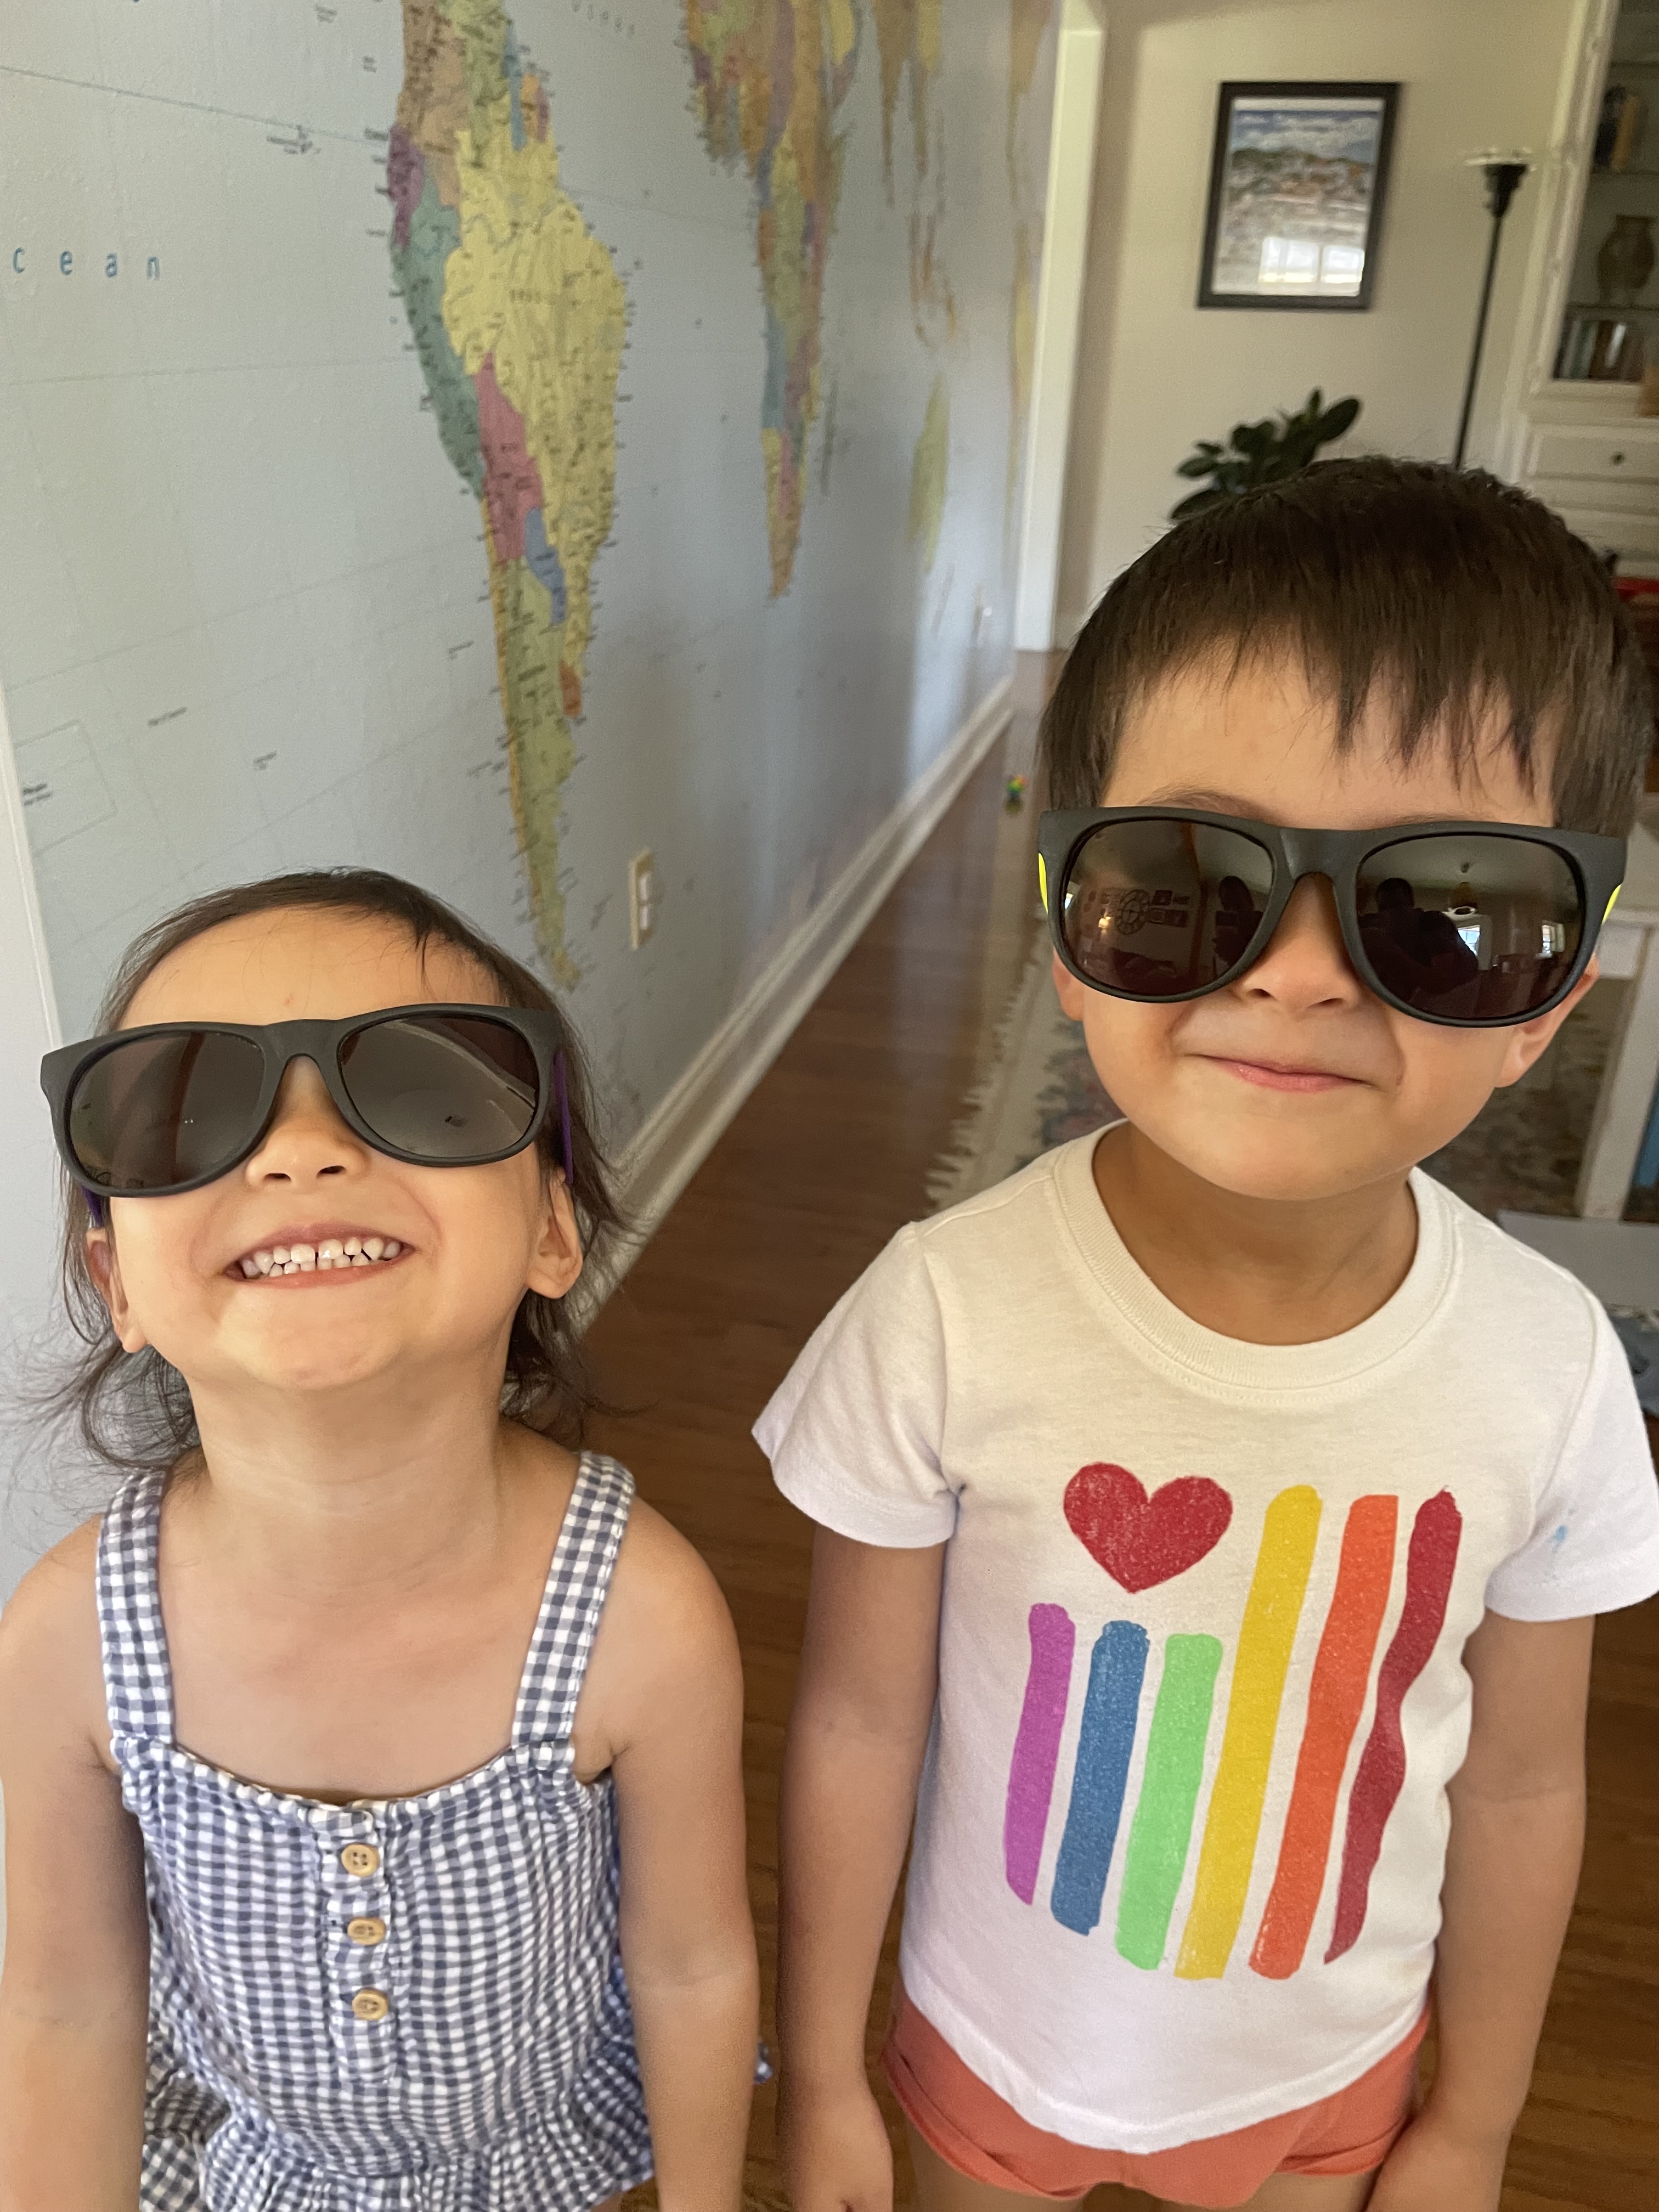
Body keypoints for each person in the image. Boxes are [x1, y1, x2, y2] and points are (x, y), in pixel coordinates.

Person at [762, 461, 1659, 2212]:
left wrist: (1474, 2124)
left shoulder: (1552, 1371)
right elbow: (858, 1724)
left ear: (1552, 995)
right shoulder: (941, 1314)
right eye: (1189, 883)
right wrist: (822, 2082)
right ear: (1066, 929)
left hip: (1334, 2077)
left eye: (1443, 910)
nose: (1300, 974)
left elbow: (1523, 1786)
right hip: (989, 2053)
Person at [0, 871, 758, 2211]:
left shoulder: (643, 1614)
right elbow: (65, 2010)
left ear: (552, 1229)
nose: (300, 1152)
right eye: (185, 1110)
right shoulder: (69, 1643)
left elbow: (692, 1967)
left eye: (421, 1090)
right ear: (120, 1284)